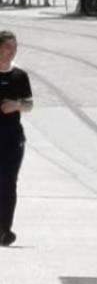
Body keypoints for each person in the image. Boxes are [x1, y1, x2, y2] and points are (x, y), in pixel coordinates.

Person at [0, 31, 32, 246]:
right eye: (9, 46)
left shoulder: (19, 76)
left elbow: (29, 104)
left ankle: (4, 229)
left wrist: (16, 106)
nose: (12, 51)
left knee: (9, 183)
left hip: (12, 137)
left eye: (15, 47)